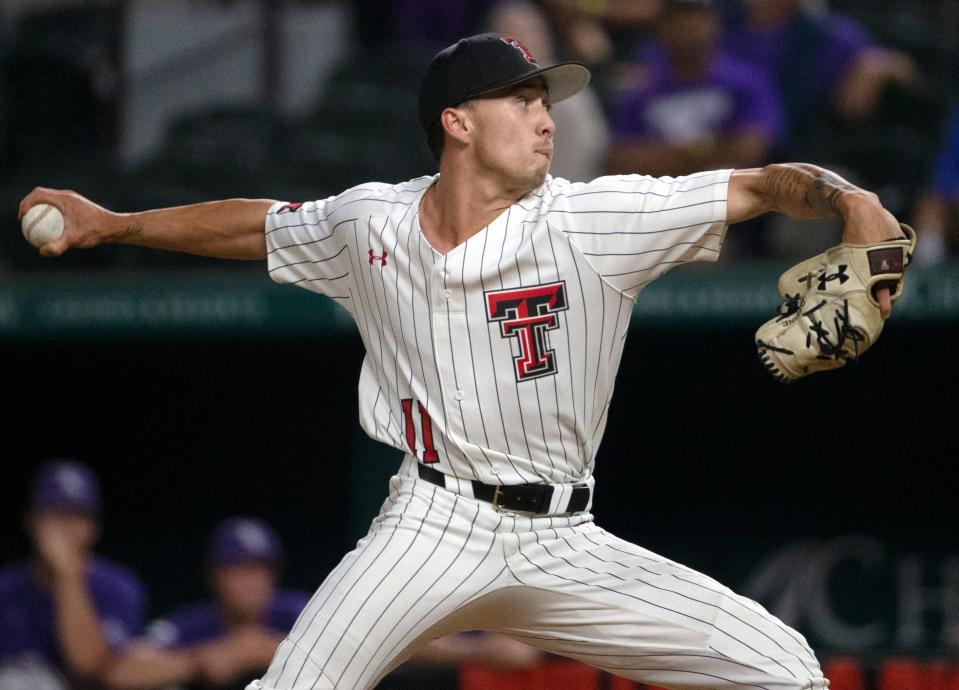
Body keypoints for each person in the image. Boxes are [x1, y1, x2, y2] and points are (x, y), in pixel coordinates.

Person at [19, 32, 907, 690]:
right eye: (519, 100)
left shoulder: (593, 221)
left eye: (544, 100)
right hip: (429, 527)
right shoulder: (370, 222)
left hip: (564, 539)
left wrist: (849, 197)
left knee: (786, 671)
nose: (543, 117)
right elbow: (258, 223)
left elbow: (757, 183)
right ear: (457, 123)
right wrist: (118, 223)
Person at [106, 517, 309, 690]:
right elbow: (121, 671)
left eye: (261, 569)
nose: (252, 581)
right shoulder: (195, 623)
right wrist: (198, 661)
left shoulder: (299, 612)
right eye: (239, 568)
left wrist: (259, 650)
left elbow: (337, 652)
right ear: (214, 575)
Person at [0, 459, 145, 690]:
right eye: (56, 514)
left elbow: (89, 668)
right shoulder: (5, 588)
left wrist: (68, 576)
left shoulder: (117, 587)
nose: (66, 528)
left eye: (77, 515)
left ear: (93, 528)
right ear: (31, 522)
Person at [605, 0, 782, 178]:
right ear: (660, 28)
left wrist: (673, 155)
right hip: (662, 200)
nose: (688, 28)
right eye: (678, 21)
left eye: (696, 19)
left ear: (714, 23)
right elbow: (621, 162)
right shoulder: (642, 90)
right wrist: (707, 150)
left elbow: (749, 151)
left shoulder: (744, 80)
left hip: (731, 193)